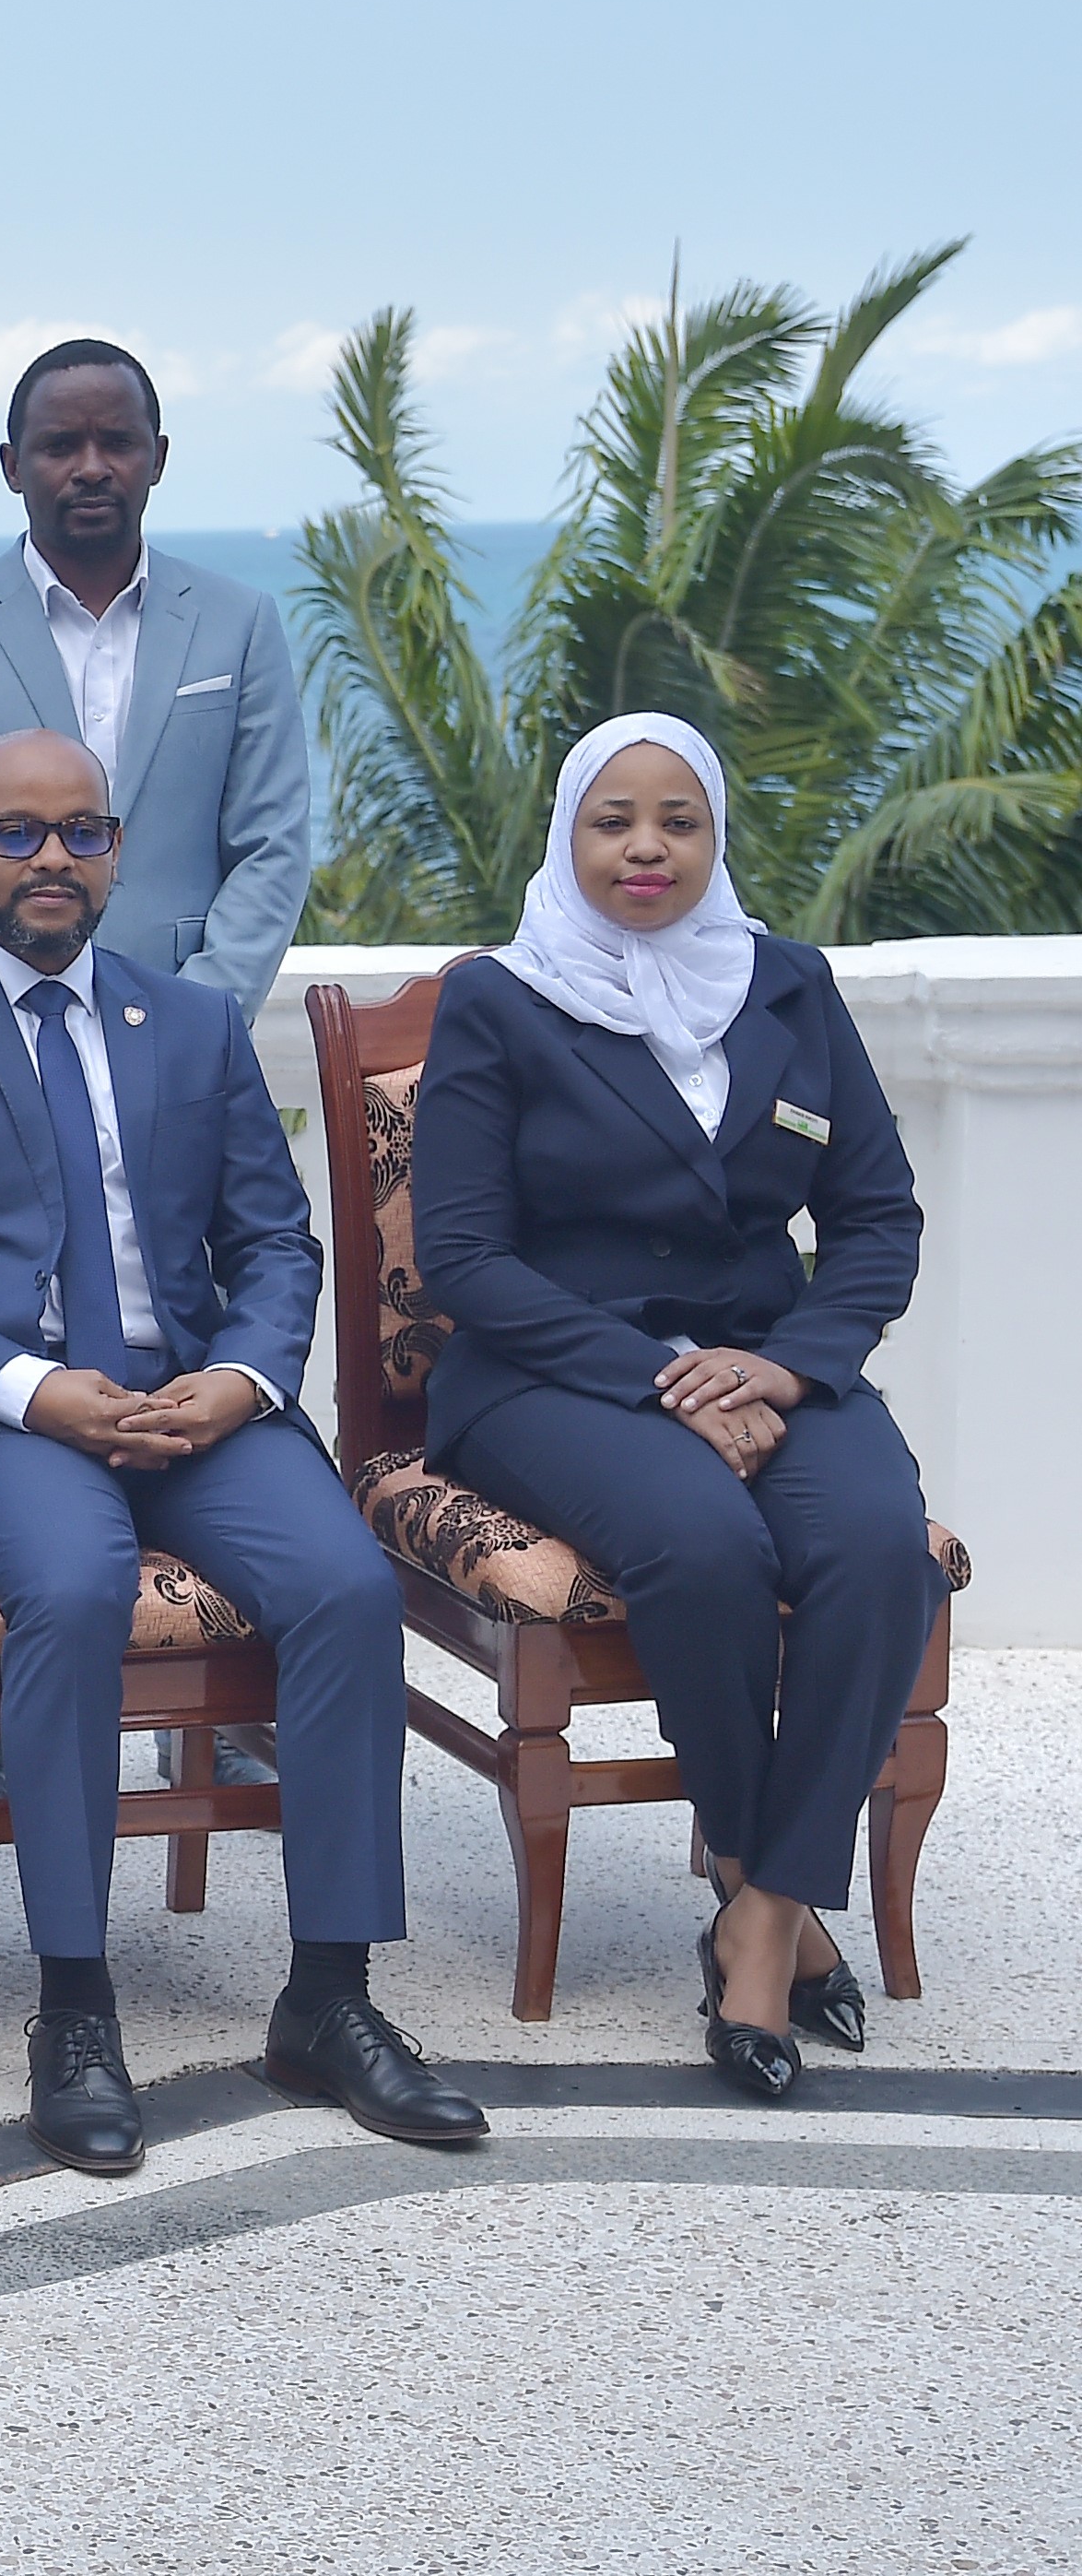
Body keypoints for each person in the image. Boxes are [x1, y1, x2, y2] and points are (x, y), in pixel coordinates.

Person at [0, 727, 483, 2175]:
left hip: (194, 1408)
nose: (52, 858)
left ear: (116, 852)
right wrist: (35, 1392)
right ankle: (75, 2005)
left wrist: (239, 1379)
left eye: (83, 832)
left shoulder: (190, 1025)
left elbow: (275, 1242)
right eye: (17, 833)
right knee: (71, 1588)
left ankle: (331, 1996)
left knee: (347, 1589)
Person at [412, 715, 942, 2104]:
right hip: (553, 1371)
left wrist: (786, 1367)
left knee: (879, 1549)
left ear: (714, 837)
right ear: (568, 836)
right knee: (705, 1545)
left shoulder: (788, 986)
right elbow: (463, 1258)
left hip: (772, 1361)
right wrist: (664, 1378)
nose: (645, 848)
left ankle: (758, 1908)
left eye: (678, 821)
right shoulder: (501, 1001)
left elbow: (876, 1218)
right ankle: (771, 1909)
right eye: (614, 821)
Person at [0, 341, 312, 1007]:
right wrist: (25, 994)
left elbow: (272, 845)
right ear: (12, 466)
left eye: (118, 442)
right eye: (59, 446)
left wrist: (200, 1015)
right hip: (9, 1031)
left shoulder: (240, 624)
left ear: (158, 458)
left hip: (194, 1021)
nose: (92, 468)